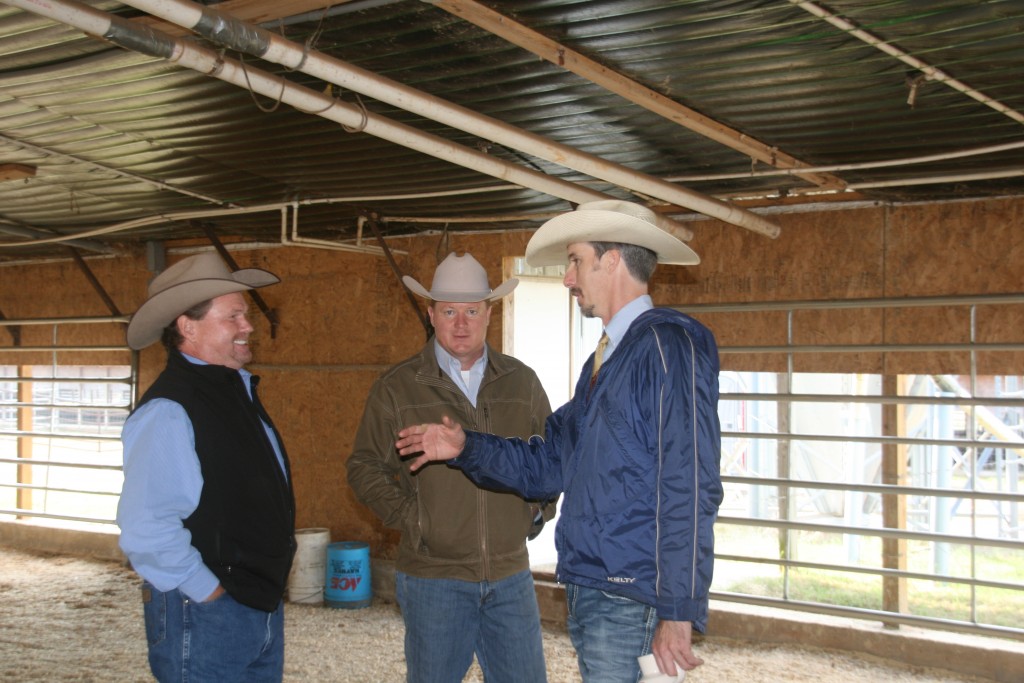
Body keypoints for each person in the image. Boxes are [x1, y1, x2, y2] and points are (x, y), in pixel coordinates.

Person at [396, 200, 724, 683]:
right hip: (599, 588)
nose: (568, 278)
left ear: (610, 261)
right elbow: (548, 463)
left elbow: (690, 481)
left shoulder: (666, 345)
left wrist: (678, 611)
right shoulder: (606, 363)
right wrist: (466, 447)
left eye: (575, 260)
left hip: (631, 595)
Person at [347, 252, 554, 683]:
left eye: (472, 311)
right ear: (431, 314)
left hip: (509, 575)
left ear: (490, 314)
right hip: (433, 581)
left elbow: (548, 460)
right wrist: (416, 519)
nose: (461, 324)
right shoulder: (397, 387)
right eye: (449, 311)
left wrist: (534, 511)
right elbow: (365, 466)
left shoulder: (522, 382)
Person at [116, 252, 296, 682]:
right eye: (233, 316)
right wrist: (209, 594)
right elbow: (146, 527)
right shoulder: (169, 409)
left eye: (246, 315)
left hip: (255, 603)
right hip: (207, 609)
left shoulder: (233, 391)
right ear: (187, 325)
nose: (248, 326)